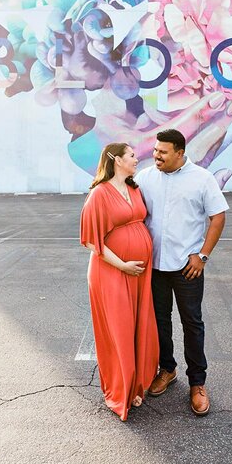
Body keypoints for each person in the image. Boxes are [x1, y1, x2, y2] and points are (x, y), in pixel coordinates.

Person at [134, 128, 227, 416]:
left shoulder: (202, 179)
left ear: (179, 153)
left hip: (187, 267)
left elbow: (218, 216)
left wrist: (203, 255)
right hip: (155, 265)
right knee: (159, 321)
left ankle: (197, 383)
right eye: (156, 150)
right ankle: (167, 369)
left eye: (163, 151)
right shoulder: (145, 178)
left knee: (192, 323)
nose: (156, 155)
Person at [79, 142, 159, 421]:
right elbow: (91, 240)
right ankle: (121, 389)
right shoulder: (99, 194)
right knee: (120, 330)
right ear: (116, 160)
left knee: (138, 327)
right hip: (112, 271)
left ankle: (137, 384)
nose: (138, 159)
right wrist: (123, 264)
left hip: (139, 272)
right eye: (132, 155)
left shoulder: (135, 188)